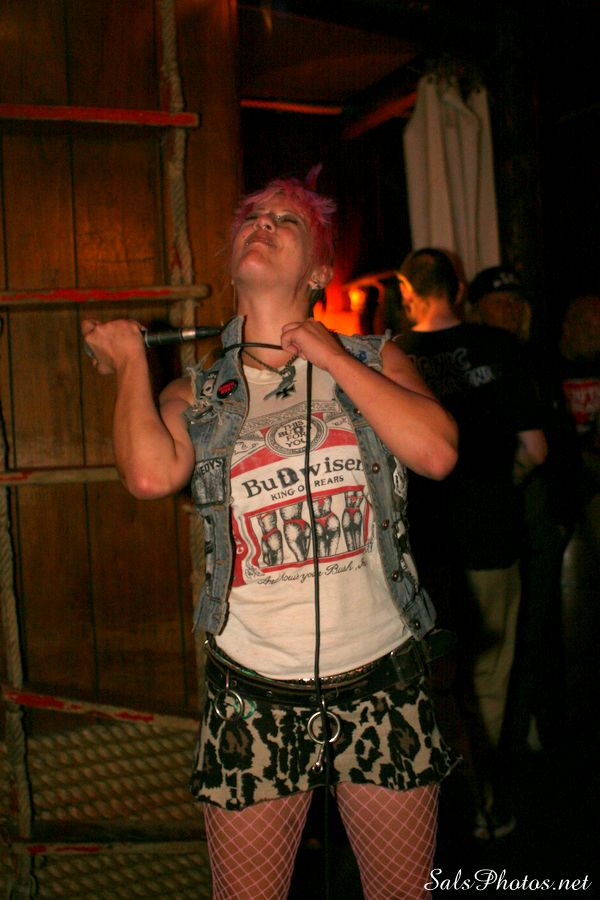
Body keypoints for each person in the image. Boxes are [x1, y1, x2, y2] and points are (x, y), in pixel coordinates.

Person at [81, 178, 459, 900]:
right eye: (253, 217)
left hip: (383, 679)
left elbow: (437, 452)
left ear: (319, 270)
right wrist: (130, 363)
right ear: (232, 260)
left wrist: (333, 357)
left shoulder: (374, 358)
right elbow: (150, 475)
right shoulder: (199, 391)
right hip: (251, 693)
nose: (264, 224)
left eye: (287, 219)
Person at [394, 248, 547, 840]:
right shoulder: (499, 348)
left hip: (419, 546)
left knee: (428, 679)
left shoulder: (391, 355)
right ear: (458, 288)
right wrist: (501, 489)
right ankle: (481, 803)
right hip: (490, 535)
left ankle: (440, 810)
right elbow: (536, 450)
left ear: (408, 292)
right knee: (488, 676)